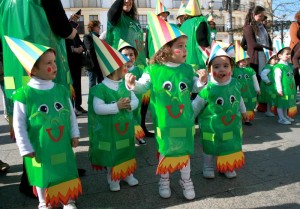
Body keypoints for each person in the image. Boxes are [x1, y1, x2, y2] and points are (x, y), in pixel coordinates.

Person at [0, 0, 78, 199]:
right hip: (42, 57)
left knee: (27, 117)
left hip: (16, 63)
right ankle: (40, 178)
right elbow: (60, 24)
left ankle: (42, 174)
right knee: (50, 116)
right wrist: (72, 33)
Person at [125, 12, 207, 200]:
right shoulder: (153, 70)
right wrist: (132, 84)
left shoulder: (187, 69)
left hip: (184, 120)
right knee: (165, 149)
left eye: (186, 46)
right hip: (164, 121)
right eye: (180, 46)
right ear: (166, 49)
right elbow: (143, 86)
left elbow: (196, 85)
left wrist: (202, 80)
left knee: (184, 149)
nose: (185, 50)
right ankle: (164, 179)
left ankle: (185, 180)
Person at [8, 36, 81, 209]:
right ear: (34, 68)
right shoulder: (24, 94)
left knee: (64, 168)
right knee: (41, 172)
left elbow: (71, 114)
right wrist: (25, 147)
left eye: (55, 61)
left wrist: (75, 133)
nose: (55, 66)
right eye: (49, 63)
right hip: (39, 145)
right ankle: (43, 202)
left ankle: (67, 199)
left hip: (62, 143)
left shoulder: (61, 90)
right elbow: (18, 124)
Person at [88, 36, 139, 192]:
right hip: (109, 132)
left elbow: (135, 101)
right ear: (113, 68)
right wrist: (116, 106)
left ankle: (127, 174)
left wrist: (130, 103)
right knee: (112, 154)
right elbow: (97, 108)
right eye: (123, 65)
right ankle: (112, 177)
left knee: (126, 151)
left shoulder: (125, 85)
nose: (127, 67)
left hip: (124, 129)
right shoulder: (100, 89)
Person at [192, 42, 248, 179]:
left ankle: (226, 166)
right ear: (210, 70)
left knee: (229, 145)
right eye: (216, 67)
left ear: (232, 68)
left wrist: (244, 111)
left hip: (231, 124)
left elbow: (239, 99)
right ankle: (208, 166)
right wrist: (188, 119)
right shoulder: (208, 88)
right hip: (211, 126)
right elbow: (196, 105)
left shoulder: (235, 83)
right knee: (210, 147)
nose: (221, 70)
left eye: (225, 66)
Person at [118, 39, 146, 145]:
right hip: (124, 98)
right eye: (125, 55)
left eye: (131, 54)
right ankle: (128, 136)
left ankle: (138, 135)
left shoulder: (139, 70)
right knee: (126, 117)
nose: (129, 58)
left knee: (137, 116)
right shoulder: (119, 70)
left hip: (137, 98)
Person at [106, 0, 146, 69]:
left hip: (139, 66)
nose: (127, 1)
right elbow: (113, 11)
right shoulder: (116, 18)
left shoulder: (135, 21)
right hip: (120, 66)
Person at [232, 40, 260, 126]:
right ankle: (239, 119)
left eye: (245, 60)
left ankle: (247, 119)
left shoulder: (250, 70)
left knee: (249, 105)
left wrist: (257, 89)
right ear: (237, 61)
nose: (244, 62)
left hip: (249, 91)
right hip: (239, 91)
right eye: (242, 60)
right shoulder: (234, 70)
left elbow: (255, 79)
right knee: (240, 105)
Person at [243, 6, 272, 83]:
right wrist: (267, 48)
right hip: (256, 56)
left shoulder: (262, 27)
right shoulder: (248, 28)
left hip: (265, 55)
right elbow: (253, 45)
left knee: (265, 76)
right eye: (260, 16)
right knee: (258, 78)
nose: (262, 18)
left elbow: (268, 40)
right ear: (253, 15)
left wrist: (270, 48)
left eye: (263, 16)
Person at [65, 13, 87, 115]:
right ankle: (73, 106)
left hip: (77, 62)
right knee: (73, 84)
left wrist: (81, 47)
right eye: (74, 18)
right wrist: (74, 49)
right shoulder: (66, 31)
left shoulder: (75, 32)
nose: (76, 21)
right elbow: (64, 46)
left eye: (77, 19)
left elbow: (82, 43)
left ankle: (78, 105)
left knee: (78, 84)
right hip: (70, 62)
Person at [180, 0, 211, 70]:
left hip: (186, 60)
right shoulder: (200, 21)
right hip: (198, 60)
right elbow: (201, 39)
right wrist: (209, 51)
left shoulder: (183, 25)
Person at [273, 41, 297, 125]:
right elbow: (277, 79)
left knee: (286, 103)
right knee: (281, 104)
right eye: (287, 54)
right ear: (279, 56)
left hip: (289, 89)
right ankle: (281, 118)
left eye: (290, 54)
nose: (289, 56)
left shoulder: (288, 65)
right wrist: (279, 89)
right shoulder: (278, 67)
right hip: (282, 89)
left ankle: (285, 115)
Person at [83, 20, 104, 88]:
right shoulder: (87, 37)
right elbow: (90, 47)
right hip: (91, 64)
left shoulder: (100, 37)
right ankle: (92, 98)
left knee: (101, 83)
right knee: (92, 84)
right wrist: (100, 42)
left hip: (100, 64)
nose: (99, 28)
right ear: (93, 27)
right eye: (98, 27)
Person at [259, 49, 278, 117]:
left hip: (272, 86)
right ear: (270, 60)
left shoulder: (274, 66)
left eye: (277, 59)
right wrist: (268, 81)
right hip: (269, 86)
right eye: (274, 59)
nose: (276, 61)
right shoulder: (268, 67)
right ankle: (268, 111)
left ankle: (272, 110)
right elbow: (263, 74)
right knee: (269, 99)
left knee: (272, 98)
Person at [289, 11, 300, 91]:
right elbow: (294, 38)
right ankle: (293, 95)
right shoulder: (294, 25)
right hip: (295, 50)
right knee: (295, 74)